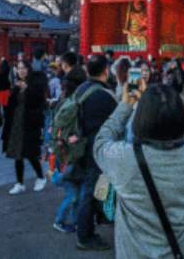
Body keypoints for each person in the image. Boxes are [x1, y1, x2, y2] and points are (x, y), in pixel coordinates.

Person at [95, 80, 184, 258]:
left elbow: (100, 142)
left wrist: (126, 105)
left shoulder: (124, 158)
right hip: (181, 251)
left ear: (141, 119)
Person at [73, 54, 118, 251]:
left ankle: (90, 225)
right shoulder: (104, 95)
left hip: (81, 145)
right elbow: (117, 122)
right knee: (90, 191)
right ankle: (85, 235)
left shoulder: (81, 89)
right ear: (106, 70)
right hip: (96, 149)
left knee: (89, 188)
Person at [0, 59, 48, 194]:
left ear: (29, 69)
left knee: (31, 153)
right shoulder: (16, 85)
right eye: (19, 68)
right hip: (16, 123)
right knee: (16, 153)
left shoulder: (36, 83)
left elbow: (40, 101)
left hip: (30, 122)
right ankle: (19, 183)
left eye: (24, 68)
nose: (21, 71)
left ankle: (40, 177)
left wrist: (27, 88)